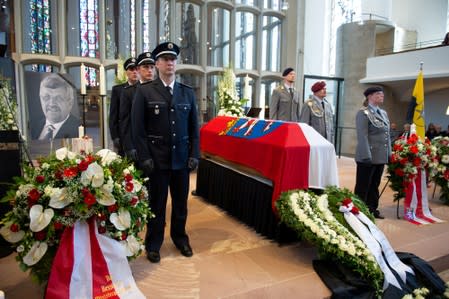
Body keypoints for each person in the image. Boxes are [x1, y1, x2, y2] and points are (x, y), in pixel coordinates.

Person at [132, 42, 200, 263]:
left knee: (181, 205)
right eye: (165, 59)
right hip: (157, 161)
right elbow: (138, 129)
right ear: (157, 64)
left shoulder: (187, 93)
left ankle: (180, 239)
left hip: (181, 160)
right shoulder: (145, 91)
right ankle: (153, 244)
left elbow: (193, 129)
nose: (170, 63)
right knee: (157, 206)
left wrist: (194, 154)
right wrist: (144, 158)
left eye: (173, 59)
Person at [354, 86, 390, 219]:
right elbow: (362, 136)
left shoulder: (383, 113)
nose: (382, 95)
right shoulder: (363, 113)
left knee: (375, 185)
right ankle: (358, 211)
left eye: (382, 93)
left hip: (380, 156)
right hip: (367, 157)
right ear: (369, 96)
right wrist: (366, 156)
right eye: (378, 94)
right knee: (363, 186)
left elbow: (387, 135)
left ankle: (372, 209)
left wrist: (389, 154)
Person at [119, 52, 156, 162]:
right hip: (137, 145)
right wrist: (129, 146)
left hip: (157, 147)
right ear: (139, 69)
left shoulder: (160, 91)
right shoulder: (129, 92)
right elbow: (125, 122)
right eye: (145, 67)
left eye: (152, 67)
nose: (149, 70)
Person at [32, 73, 80, 140]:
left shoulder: (78, 129)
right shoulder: (34, 126)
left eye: (58, 98)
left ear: (70, 102)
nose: (52, 104)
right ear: (40, 99)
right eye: (46, 97)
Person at [109, 57, 138, 156]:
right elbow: (113, 115)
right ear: (126, 72)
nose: (135, 72)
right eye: (131, 69)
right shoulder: (118, 90)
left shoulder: (145, 89)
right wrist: (115, 136)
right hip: (123, 135)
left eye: (137, 69)